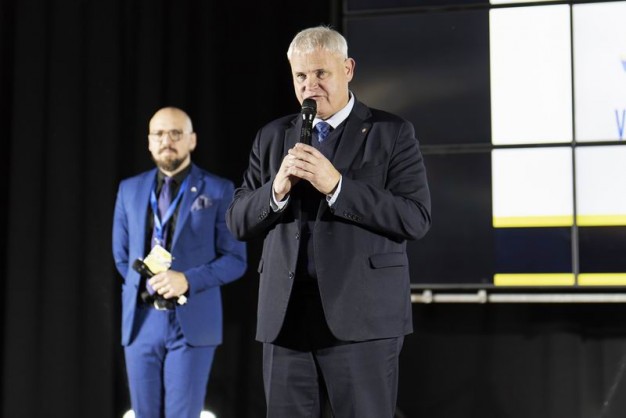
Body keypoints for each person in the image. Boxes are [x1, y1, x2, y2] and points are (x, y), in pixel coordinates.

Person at [226, 26, 431, 418]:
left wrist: (338, 186)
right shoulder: (272, 137)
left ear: (348, 69)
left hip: (363, 321)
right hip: (286, 322)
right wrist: (276, 190)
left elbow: (415, 218)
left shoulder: (391, 133)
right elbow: (237, 221)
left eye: (321, 73)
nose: (310, 85)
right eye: (301, 76)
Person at [112, 106, 247, 417]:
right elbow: (121, 257)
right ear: (149, 141)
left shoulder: (219, 189)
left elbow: (235, 260)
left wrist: (187, 280)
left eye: (175, 133)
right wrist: (149, 282)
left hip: (191, 319)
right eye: (159, 134)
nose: (166, 141)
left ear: (192, 140)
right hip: (141, 320)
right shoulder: (129, 190)